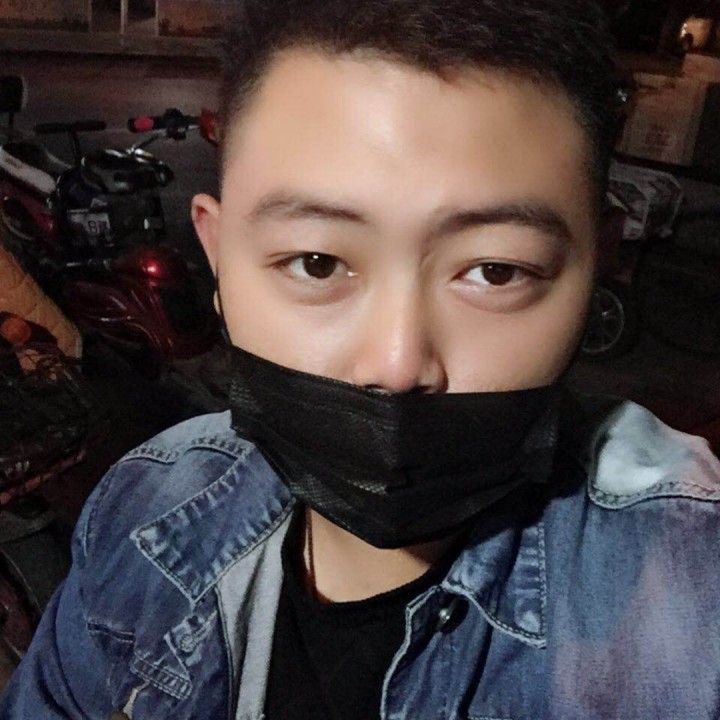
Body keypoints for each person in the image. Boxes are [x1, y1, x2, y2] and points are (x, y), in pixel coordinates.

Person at [3, 1, 720, 718]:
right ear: (218, 260)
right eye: (316, 263)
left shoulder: (688, 588)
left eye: (496, 271)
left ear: (599, 265)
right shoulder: (146, 509)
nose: (397, 364)